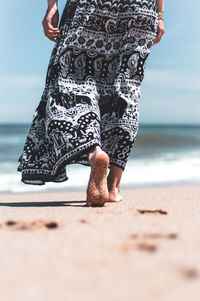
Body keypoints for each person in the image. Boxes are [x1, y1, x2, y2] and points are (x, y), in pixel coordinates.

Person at [17, 0, 165, 206]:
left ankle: (95, 152)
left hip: (90, 6)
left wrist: (52, 6)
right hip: (139, 9)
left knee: (71, 81)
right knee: (124, 89)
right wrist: (159, 15)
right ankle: (113, 187)